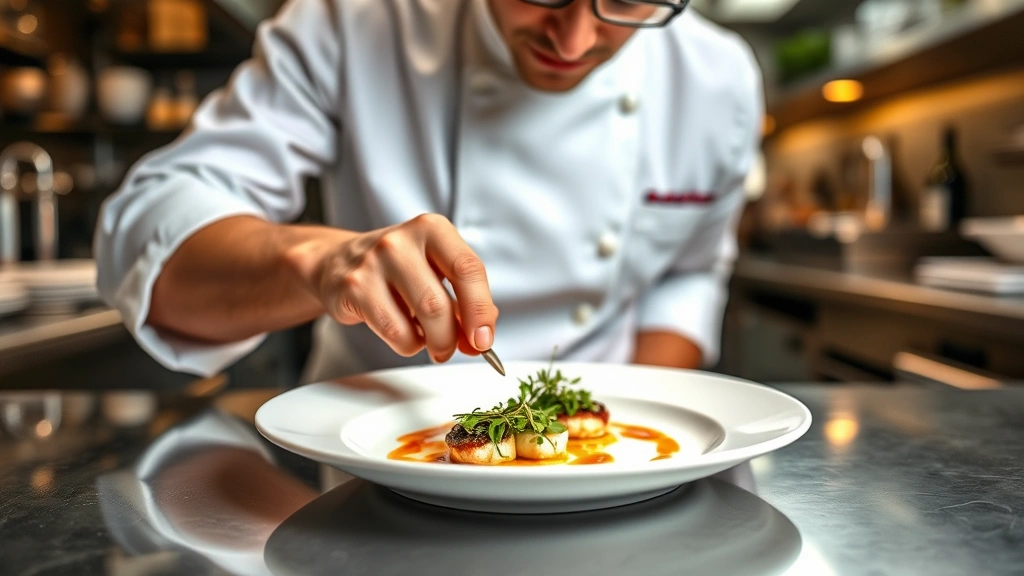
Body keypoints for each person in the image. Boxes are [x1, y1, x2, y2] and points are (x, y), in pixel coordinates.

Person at [95, 0, 763, 382]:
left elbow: (689, 277)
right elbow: (149, 229)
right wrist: (320, 263)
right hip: (369, 461)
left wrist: (614, 431)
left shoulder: (718, 80)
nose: (576, 38)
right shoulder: (355, 18)